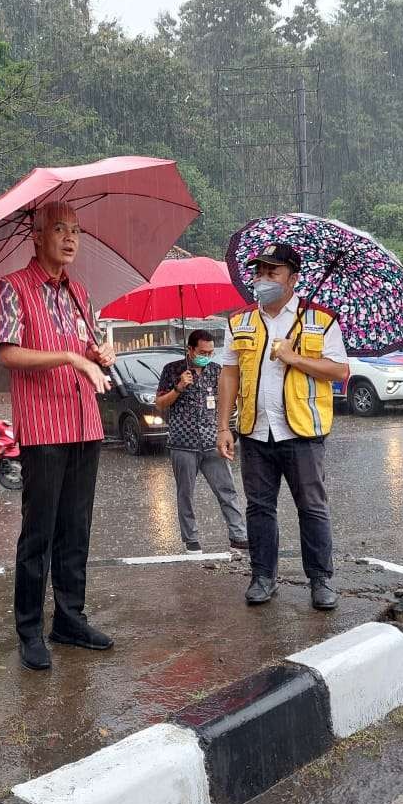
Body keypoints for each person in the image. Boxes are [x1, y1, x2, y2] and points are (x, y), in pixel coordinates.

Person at [0, 200, 116, 672]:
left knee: (76, 528)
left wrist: (99, 353)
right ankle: (28, 628)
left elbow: (88, 350)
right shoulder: (12, 288)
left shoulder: (80, 294)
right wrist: (69, 357)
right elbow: (8, 354)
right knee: (38, 531)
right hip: (44, 427)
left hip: (85, 422)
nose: (69, 238)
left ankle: (70, 618)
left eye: (76, 231)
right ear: (36, 236)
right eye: (59, 229)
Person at [215, 242, 350, 611]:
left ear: (293, 278)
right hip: (255, 431)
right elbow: (228, 374)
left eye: (271, 272)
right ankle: (263, 577)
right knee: (259, 508)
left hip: (302, 431)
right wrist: (222, 427)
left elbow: (339, 370)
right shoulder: (239, 321)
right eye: (258, 272)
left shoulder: (320, 320)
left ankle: (321, 581)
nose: (262, 279)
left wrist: (294, 357)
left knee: (312, 507)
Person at [155, 329, 249, 554]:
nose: (206, 355)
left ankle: (238, 535)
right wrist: (179, 387)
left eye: (210, 352)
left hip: (212, 441)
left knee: (227, 490)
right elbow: (160, 404)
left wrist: (227, 431)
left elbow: (229, 402)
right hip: (183, 443)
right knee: (185, 493)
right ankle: (191, 538)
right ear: (190, 349)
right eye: (202, 351)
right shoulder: (173, 370)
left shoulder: (218, 371)